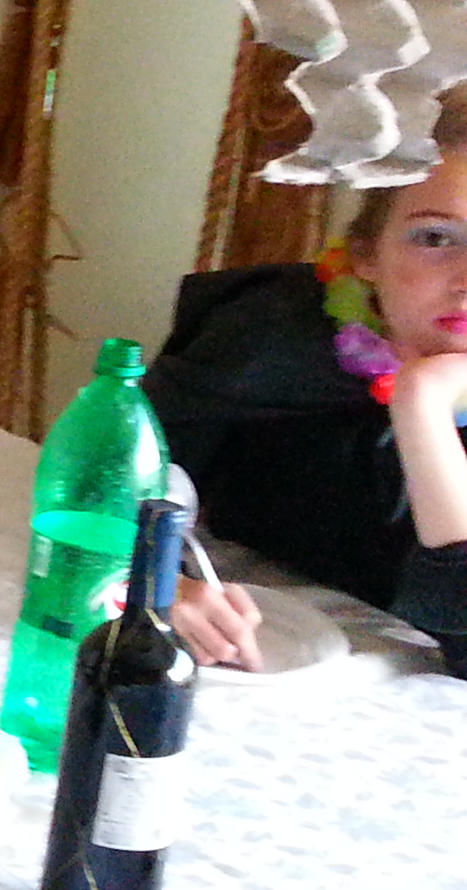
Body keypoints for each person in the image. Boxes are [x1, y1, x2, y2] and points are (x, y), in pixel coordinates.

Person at [152, 90, 467, 676]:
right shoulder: (270, 340)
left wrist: (421, 404)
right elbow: (105, 488)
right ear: (366, 253)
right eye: (435, 238)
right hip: (240, 662)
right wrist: (159, 585)